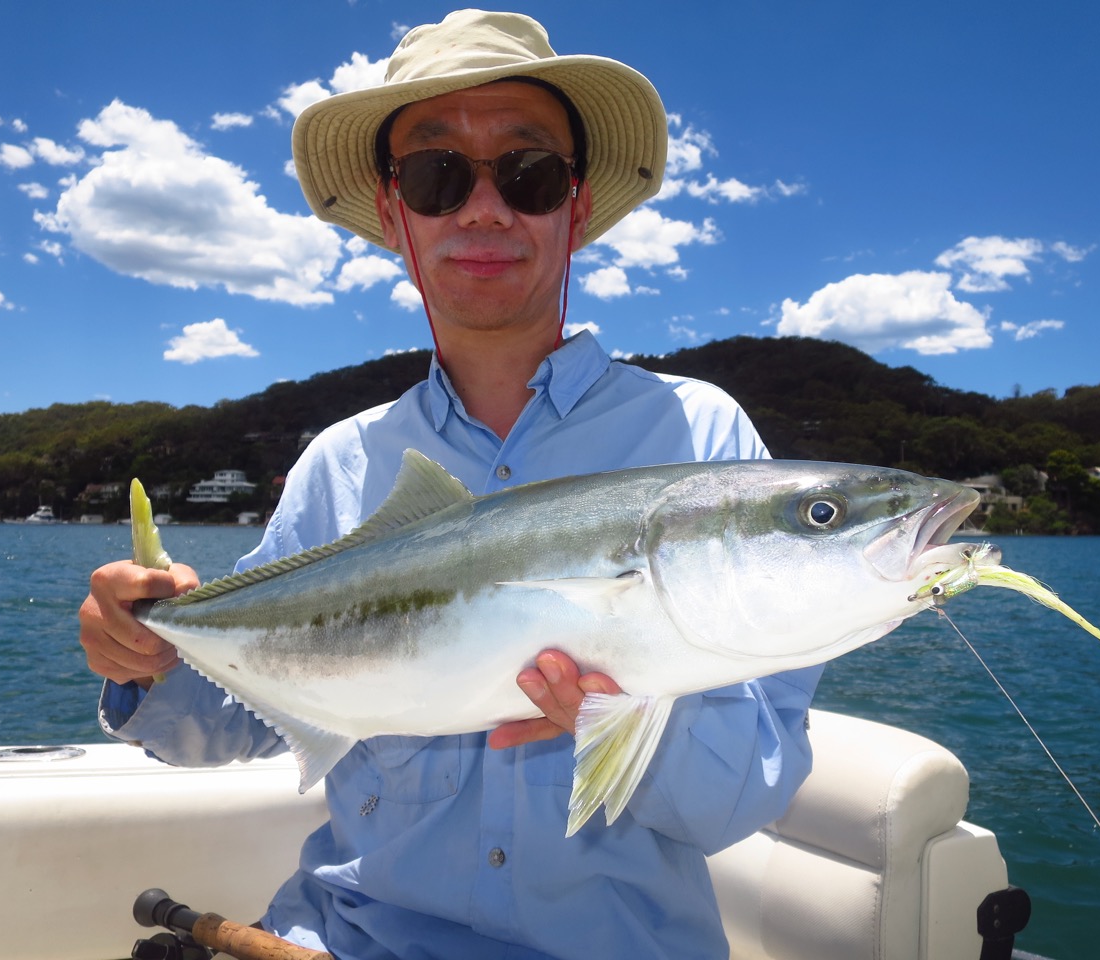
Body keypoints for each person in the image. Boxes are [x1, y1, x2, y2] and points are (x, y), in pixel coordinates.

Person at [78, 10, 824, 959]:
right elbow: (224, 728)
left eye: (528, 172)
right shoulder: (343, 465)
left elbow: (744, 797)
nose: (484, 209)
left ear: (576, 206)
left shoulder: (701, 441)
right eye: (438, 176)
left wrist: (613, 719)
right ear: (395, 215)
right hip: (344, 940)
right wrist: (144, 657)